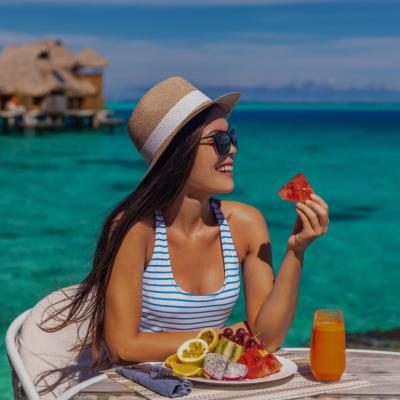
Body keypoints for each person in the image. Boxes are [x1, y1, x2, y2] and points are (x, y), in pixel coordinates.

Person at [43, 76, 329, 369]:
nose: (232, 149)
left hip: (213, 383)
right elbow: (123, 347)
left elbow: (267, 340)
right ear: (179, 153)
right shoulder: (136, 230)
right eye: (219, 141)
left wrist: (296, 251)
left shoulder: (245, 223)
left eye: (231, 137)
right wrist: (228, 335)